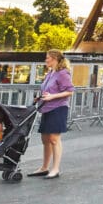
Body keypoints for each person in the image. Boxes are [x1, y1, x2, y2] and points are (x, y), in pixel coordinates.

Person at [33, 49, 74, 179]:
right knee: (45, 139)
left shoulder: (62, 73)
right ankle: (44, 167)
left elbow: (70, 91)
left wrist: (52, 97)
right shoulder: (51, 73)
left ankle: (55, 169)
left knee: (54, 139)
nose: (46, 60)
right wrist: (39, 97)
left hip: (58, 108)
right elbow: (47, 90)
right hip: (46, 107)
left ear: (54, 59)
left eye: (47, 58)